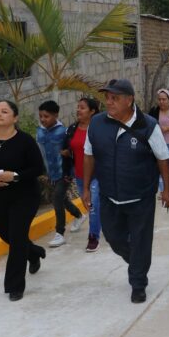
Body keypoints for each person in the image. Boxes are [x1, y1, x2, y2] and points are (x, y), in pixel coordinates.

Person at [82, 79, 169, 304]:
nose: (109, 102)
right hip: (109, 195)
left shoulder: (148, 125)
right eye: (108, 98)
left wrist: (167, 190)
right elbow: (88, 155)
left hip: (141, 195)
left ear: (129, 99)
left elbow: (163, 158)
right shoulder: (97, 123)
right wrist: (85, 188)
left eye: (115, 98)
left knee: (141, 240)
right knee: (113, 238)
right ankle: (137, 262)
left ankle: (138, 283)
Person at [0, 100, 46, 301]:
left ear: (15, 118)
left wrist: (15, 176)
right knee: (8, 235)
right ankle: (34, 252)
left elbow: (38, 168)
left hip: (24, 195)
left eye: (4, 111)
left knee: (17, 237)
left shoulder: (25, 141)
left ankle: (15, 286)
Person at [37, 100, 84, 248]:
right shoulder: (40, 131)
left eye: (47, 116)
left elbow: (71, 152)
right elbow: (41, 153)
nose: (43, 119)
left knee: (56, 198)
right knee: (61, 198)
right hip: (51, 173)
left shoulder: (63, 132)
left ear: (56, 115)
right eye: (41, 116)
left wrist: (70, 166)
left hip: (64, 172)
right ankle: (79, 215)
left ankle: (59, 233)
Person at [63, 97, 102, 252]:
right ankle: (105, 223)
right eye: (78, 107)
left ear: (92, 111)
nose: (78, 110)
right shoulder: (72, 128)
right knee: (90, 204)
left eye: (82, 108)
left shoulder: (99, 128)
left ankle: (93, 237)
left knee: (92, 205)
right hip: (79, 173)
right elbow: (69, 147)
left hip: (97, 174)